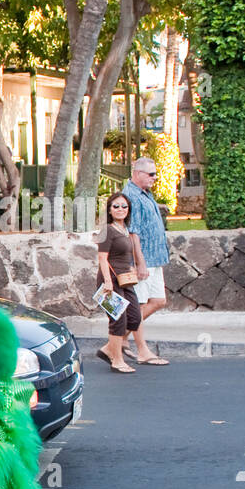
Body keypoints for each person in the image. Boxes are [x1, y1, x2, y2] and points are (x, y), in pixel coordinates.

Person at [123, 157, 170, 365]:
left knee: (159, 301)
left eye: (155, 174)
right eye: (151, 174)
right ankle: (142, 350)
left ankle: (118, 339)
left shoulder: (144, 194)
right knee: (138, 304)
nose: (154, 177)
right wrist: (139, 262)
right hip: (144, 260)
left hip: (155, 258)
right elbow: (133, 233)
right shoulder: (131, 196)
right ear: (137, 173)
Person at [94, 193, 142, 374]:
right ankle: (117, 360)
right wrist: (107, 281)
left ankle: (108, 348)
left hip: (125, 280)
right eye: (116, 206)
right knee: (118, 320)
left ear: (128, 209)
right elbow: (102, 258)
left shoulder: (125, 230)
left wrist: (133, 270)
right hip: (110, 280)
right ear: (109, 209)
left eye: (124, 206)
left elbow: (125, 256)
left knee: (134, 317)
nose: (120, 209)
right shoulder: (107, 230)